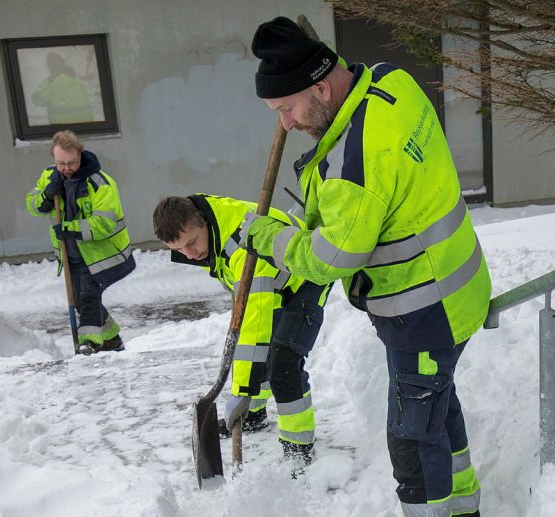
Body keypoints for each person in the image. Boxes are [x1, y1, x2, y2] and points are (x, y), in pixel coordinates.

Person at [243, 17, 492, 517]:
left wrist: (270, 237)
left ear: (322, 88)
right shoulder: (389, 81)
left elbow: (331, 259)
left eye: (287, 108)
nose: (284, 122)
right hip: (455, 284)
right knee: (436, 411)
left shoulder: (353, 164)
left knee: (411, 432)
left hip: (423, 309)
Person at [152, 195, 329, 465]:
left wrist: (241, 391)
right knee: (255, 353)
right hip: (276, 280)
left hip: (306, 277)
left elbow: (253, 324)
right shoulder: (212, 225)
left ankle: (298, 446)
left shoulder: (243, 248)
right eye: (180, 250)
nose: (191, 254)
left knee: (284, 362)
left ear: (202, 222)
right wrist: (243, 391)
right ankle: (254, 415)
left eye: (192, 243)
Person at [26, 130, 135, 354]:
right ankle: (112, 339)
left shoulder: (100, 183)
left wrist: (70, 229)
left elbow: (105, 224)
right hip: (71, 254)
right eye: (61, 163)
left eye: (71, 162)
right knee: (77, 297)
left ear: (80, 155)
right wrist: (46, 197)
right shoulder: (49, 177)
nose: (66, 168)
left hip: (101, 253)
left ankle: (89, 344)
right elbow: (32, 204)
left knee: (88, 296)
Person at [31, 53, 94, 125]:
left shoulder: (50, 82)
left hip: (64, 124)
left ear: (51, 66)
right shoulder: (77, 80)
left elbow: (40, 101)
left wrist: (35, 96)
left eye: (48, 66)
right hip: (86, 121)